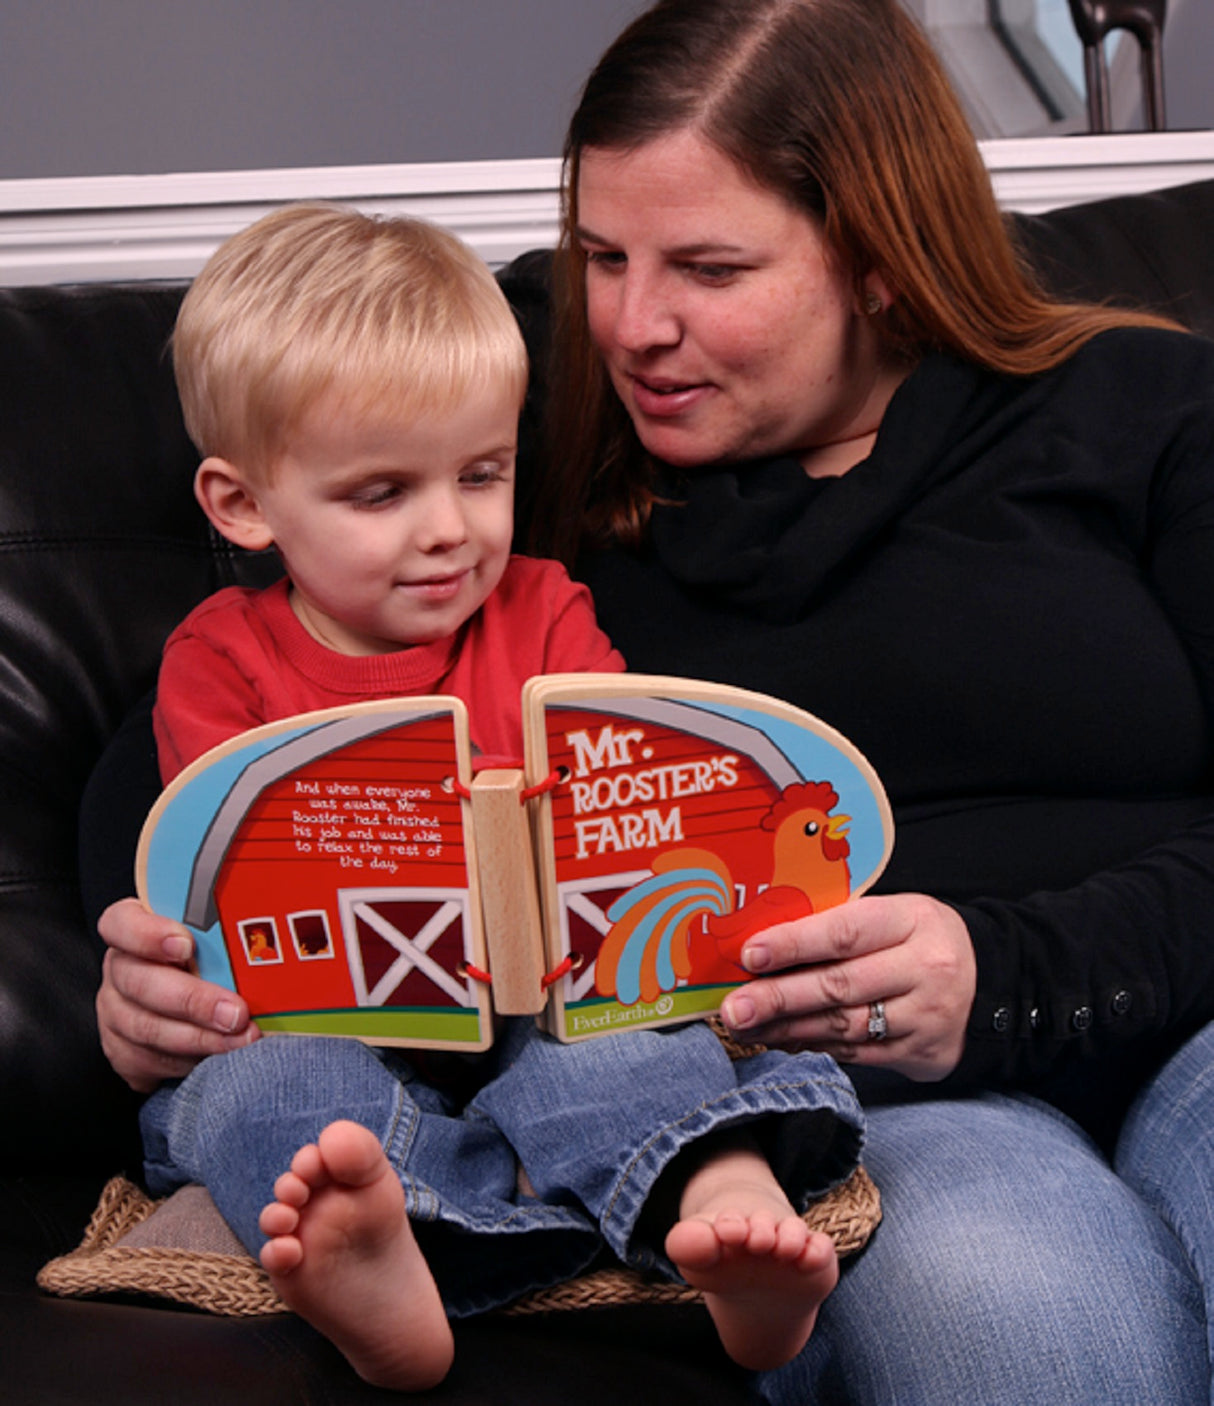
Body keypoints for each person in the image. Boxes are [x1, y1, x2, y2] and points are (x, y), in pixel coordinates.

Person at [93, 0, 1214, 1402]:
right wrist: (151, 959)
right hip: (894, 1110)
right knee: (1020, 1332)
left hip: (1187, 1012)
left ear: (876, 257)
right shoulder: (534, 442)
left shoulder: (1143, 407)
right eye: (600, 254)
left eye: (709, 266)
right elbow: (249, 713)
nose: (633, 323)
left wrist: (1010, 972)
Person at [130, 200, 865, 1392]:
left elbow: (624, 802)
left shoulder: (544, 610)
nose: (447, 531)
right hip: (335, 1020)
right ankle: (391, 1242)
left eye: (481, 474)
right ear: (244, 506)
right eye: (381, 494)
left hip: (546, 999)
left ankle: (720, 1203)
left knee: (625, 1046)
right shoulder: (220, 660)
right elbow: (224, 887)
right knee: (260, 1097)